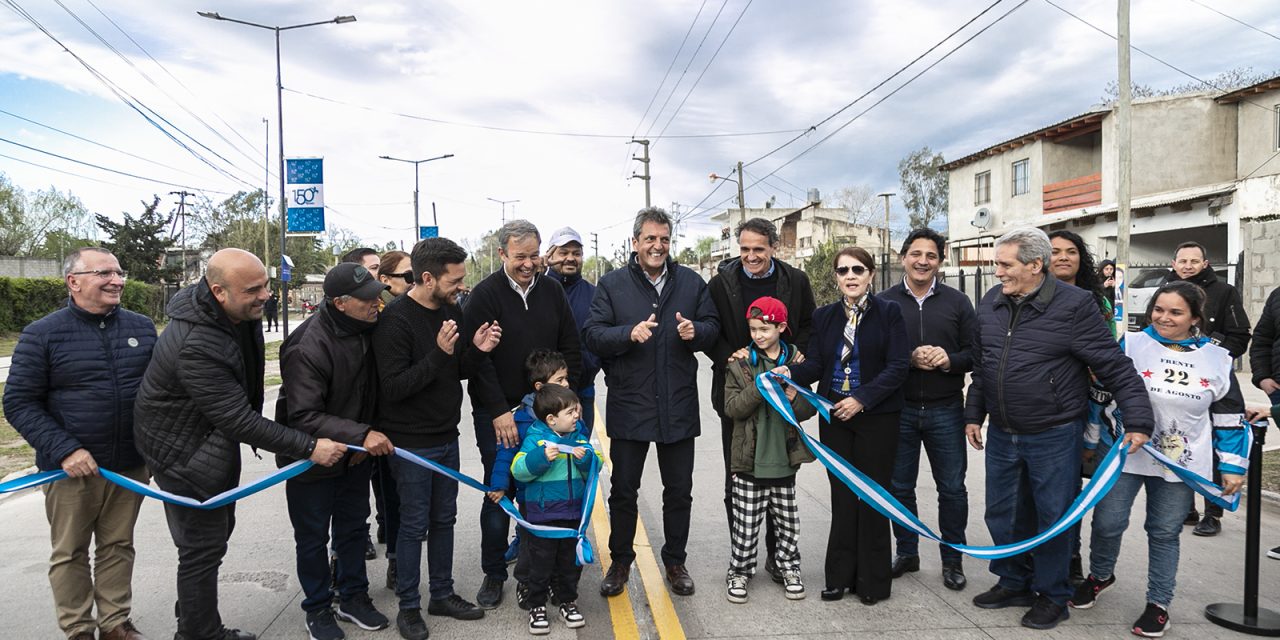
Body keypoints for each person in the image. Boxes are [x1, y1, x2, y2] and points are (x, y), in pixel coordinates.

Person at [133, 248, 348, 640]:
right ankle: (199, 632)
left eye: (265, 284)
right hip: (183, 452)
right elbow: (236, 418)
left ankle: (194, 614)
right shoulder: (197, 342)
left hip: (203, 442)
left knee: (211, 540)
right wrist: (310, 446)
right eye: (253, 289)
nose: (265, 295)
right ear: (218, 291)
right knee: (202, 546)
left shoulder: (229, 314)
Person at [963, 228, 1153, 631]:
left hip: (1052, 434)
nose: (997, 271)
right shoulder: (990, 303)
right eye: (997, 263)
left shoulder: (1076, 305)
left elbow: (1114, 366)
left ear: (1035, 265)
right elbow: (983, 368)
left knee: (1053, 518)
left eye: (1005, 264)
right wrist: (973, 414)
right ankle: (1013, 581)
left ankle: (1053, 595)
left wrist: (1138, 419)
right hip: (1002, 432)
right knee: (1002, 514)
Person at [1069, 281, 1248, 637]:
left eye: (1176, 312)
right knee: (1107, 522)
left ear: (1196, 317)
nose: (1164, 318)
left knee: (1164, 531)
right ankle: (1100, 576)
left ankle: (1158, 603)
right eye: (1159, 309)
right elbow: (1100, 395)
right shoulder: (1132, 344)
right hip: (1124, 452)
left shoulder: (1217, 358)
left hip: (1181, 462)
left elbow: (1229, 415)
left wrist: (1231, 465)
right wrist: (1090, 439)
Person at [3, 248, 157, 640]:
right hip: (68, 469)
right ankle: (78, 629)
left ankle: (115, 623)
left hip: (129, 465)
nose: (117, 280)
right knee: (70, 552)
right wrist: (65, 450)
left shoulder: (140, 327)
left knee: (118, 545)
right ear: (74, 282)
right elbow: (18, 401)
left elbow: (157, 395)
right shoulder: (43, 333)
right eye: (105, 272)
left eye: (120, 272)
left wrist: (152, 450)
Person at [584, 206, 719, 598]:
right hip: (630, 405)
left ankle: (675, 561)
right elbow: (593, 335)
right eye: (650, 239)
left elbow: (713, 328)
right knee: (624, 489)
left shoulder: (692, 283)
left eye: (663, 239)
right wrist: (629, 333)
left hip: (678, 404)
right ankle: (621, 561)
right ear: (635, 242)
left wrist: (698, 331)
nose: (657, 246)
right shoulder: (611, 285)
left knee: (679, 489)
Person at [372, 237, 502, 640]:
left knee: (445, 518)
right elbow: (392, 387)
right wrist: (438, 355)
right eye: (455, 279)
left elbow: (456, 368)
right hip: (412, 442)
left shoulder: (450, 311)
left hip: (447, 435)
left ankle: (441, 594)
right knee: (413, 525)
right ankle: (409, 607)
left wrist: (476, 351)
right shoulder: (394, 320)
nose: (462, 287)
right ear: (427, 278)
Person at [773, 247, 908, 605]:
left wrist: (862, 398)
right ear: (835, 276)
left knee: (873, 497)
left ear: (871, 274)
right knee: (844, 497)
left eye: (857, 269)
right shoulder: (824, 316)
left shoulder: (890, 312)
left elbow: (898, 367)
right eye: (843, 270)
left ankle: (873, 582)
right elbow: (816, 364)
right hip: (835, 417)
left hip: (877, 418)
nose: (850, 276)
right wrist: (789, 372)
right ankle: (840, 577)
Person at [462, 219, 583, 609]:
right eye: (520, 257)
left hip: (548, 414)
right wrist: (499, 411)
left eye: (534, 255)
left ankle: (543, 569)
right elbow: (476, 361)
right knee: (501, 490)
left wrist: (563, 403)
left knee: (546, 488)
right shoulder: (483, 295)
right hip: (499, 417)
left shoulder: (551, 292)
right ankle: (494, 573)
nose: (529, 264)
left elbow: (571, 348)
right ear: (502, 255)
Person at [275, 262, 395, 640]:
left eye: (378, 294)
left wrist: (363, 439)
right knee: (312, 537)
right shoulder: (307, 344)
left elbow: (377, 389)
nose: (377, 302)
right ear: (340, 303)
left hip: (355, 455)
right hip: (310, 458)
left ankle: (353, 596)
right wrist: (361, 434)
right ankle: (317, 607)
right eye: (367, 299)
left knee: (352, 528)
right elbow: (304, 414)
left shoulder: (371, 328)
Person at [708, 217, 816, 583]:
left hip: (782, 391)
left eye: (758, 249)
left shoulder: (795, 281)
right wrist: (730, 355)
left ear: (773, 247)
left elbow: (806, 327)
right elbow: (712, 332)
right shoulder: (722, 283)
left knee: (779, 477)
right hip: (740, 389)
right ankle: (743, 557)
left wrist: (796, 359)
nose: (750, 256)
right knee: (738, 477)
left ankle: (778, 558)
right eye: (744, 249)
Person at [882, 229, 976, 592]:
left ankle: (952, 560)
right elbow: (875, 355)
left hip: (947, 409)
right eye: (916, 253)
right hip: (898, 410)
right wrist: (908, 359)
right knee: (899, 487)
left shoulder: (958, 302)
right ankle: (907, 552)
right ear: (903, 257)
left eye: (931, 255)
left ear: (941, 260)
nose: (923, 261)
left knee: (952, 489)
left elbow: (975, 352)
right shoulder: (885, 302)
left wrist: (949, 360)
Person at [721, 296, 816, 604]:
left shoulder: (797, 364)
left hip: (784, 461)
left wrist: (791, 397)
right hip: (749, 462)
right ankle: (740, 570)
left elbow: (808, 408)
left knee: (788, 523)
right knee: (746, 524)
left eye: (765, 328)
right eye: (753, 329)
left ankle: (789, 567)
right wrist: (758, 387)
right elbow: (732, 408)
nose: (758, 335)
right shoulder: (739, 364)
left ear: (782, 328)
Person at [1163, 240, 1251, 536]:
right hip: (1171, 379)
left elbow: (1240, 337)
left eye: (1194, 261)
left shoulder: (1225, 292)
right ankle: (1184, 507)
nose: (1187, 265)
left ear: (1205, 264)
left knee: (1214, 445)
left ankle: (1212, 511)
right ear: (1174, 264)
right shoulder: (1164, 291)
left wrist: (1209, 354)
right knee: (1175, 440)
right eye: (1182, 260)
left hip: (1212, 380)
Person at [1047, 229, 1110, 586]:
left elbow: (1105, 355)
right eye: (1055, 251)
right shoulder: (1029, 296)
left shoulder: (1094, 302)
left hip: (1087, 405)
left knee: (1070, 488)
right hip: (1044, 406)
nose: (1064, 258)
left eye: (1071, 251)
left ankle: (1071, 555)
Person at [490, 349, 575, 610]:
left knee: (559, 547)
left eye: (566, 379)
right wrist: (500, 485)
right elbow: (506, 453)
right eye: (560, 380)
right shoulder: (521, 418)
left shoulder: (570, 415)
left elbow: (580, 446)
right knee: (530, 544)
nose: (567, 384)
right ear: (540, 386)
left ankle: (555, 582)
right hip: (532, 499)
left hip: (562, 498)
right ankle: (526, 582)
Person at [509, 384, 597, 635]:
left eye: (576, 411)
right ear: (551, 419)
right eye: (570, 413)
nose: (577, 416)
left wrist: (586, 458)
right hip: (543, 516)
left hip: (572, 514)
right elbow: (518, 470)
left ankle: (568, 601)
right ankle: (536, 605)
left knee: (569, 564)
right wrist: (539, 458)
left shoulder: (578, 437)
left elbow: (595, 465)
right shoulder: (535, 439)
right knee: (541, 564)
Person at [372, 249, 412, 579]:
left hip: (397, 423)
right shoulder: (376, 315)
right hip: (372, 422)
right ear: (385, 281)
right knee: (387, 494)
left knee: (399, 496)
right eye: (408, 276)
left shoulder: (410, 312)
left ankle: (396, 555)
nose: (415, 282)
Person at [542, 227, 601, 434]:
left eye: (576, 253)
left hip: (583, 390)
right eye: (563, 252)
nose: (570, 258)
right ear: (550, 256)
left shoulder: (594, 294)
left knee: (579, 456)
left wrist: (591, 365)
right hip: (543, 393)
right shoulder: (537, 288)